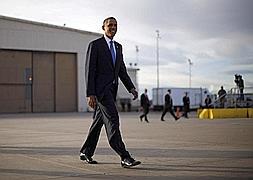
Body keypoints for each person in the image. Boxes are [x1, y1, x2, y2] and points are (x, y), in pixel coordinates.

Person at [80, 17, 141, 168]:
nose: (113, 27)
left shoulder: (118, 47)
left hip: (111, 91)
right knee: (113, 120)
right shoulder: (95, 45)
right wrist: (90, 93)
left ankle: (86, 152)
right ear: (103, 27)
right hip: (100, 93)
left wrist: (131, 87)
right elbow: (90, 71)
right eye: (110, 25)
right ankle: (124, 156)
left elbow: (121, 70)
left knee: (98, 123)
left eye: (115, 25)